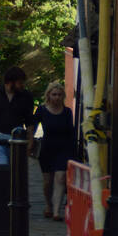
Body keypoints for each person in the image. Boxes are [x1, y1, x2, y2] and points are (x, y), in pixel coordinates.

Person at [32, 81, 77, 220]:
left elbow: (71, 132)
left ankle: (57, 211)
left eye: (59, 95)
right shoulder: (42, 110)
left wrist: (73, 152)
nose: (57, 97)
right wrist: (30, 143)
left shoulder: (67, 112)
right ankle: (48, 205)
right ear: (48, 95)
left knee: (60, 177)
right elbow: (32, 127)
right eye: (54, 94)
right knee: (47, 182)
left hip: (64, 149)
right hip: (47, 149)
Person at [0, 66, 35, 164]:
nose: (22, 85)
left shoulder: (26, 96)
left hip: (17, 137)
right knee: (0, 166)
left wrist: (30, 140)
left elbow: (29, 120)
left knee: (15, 169)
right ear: (11, 82)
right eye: (20, 83)